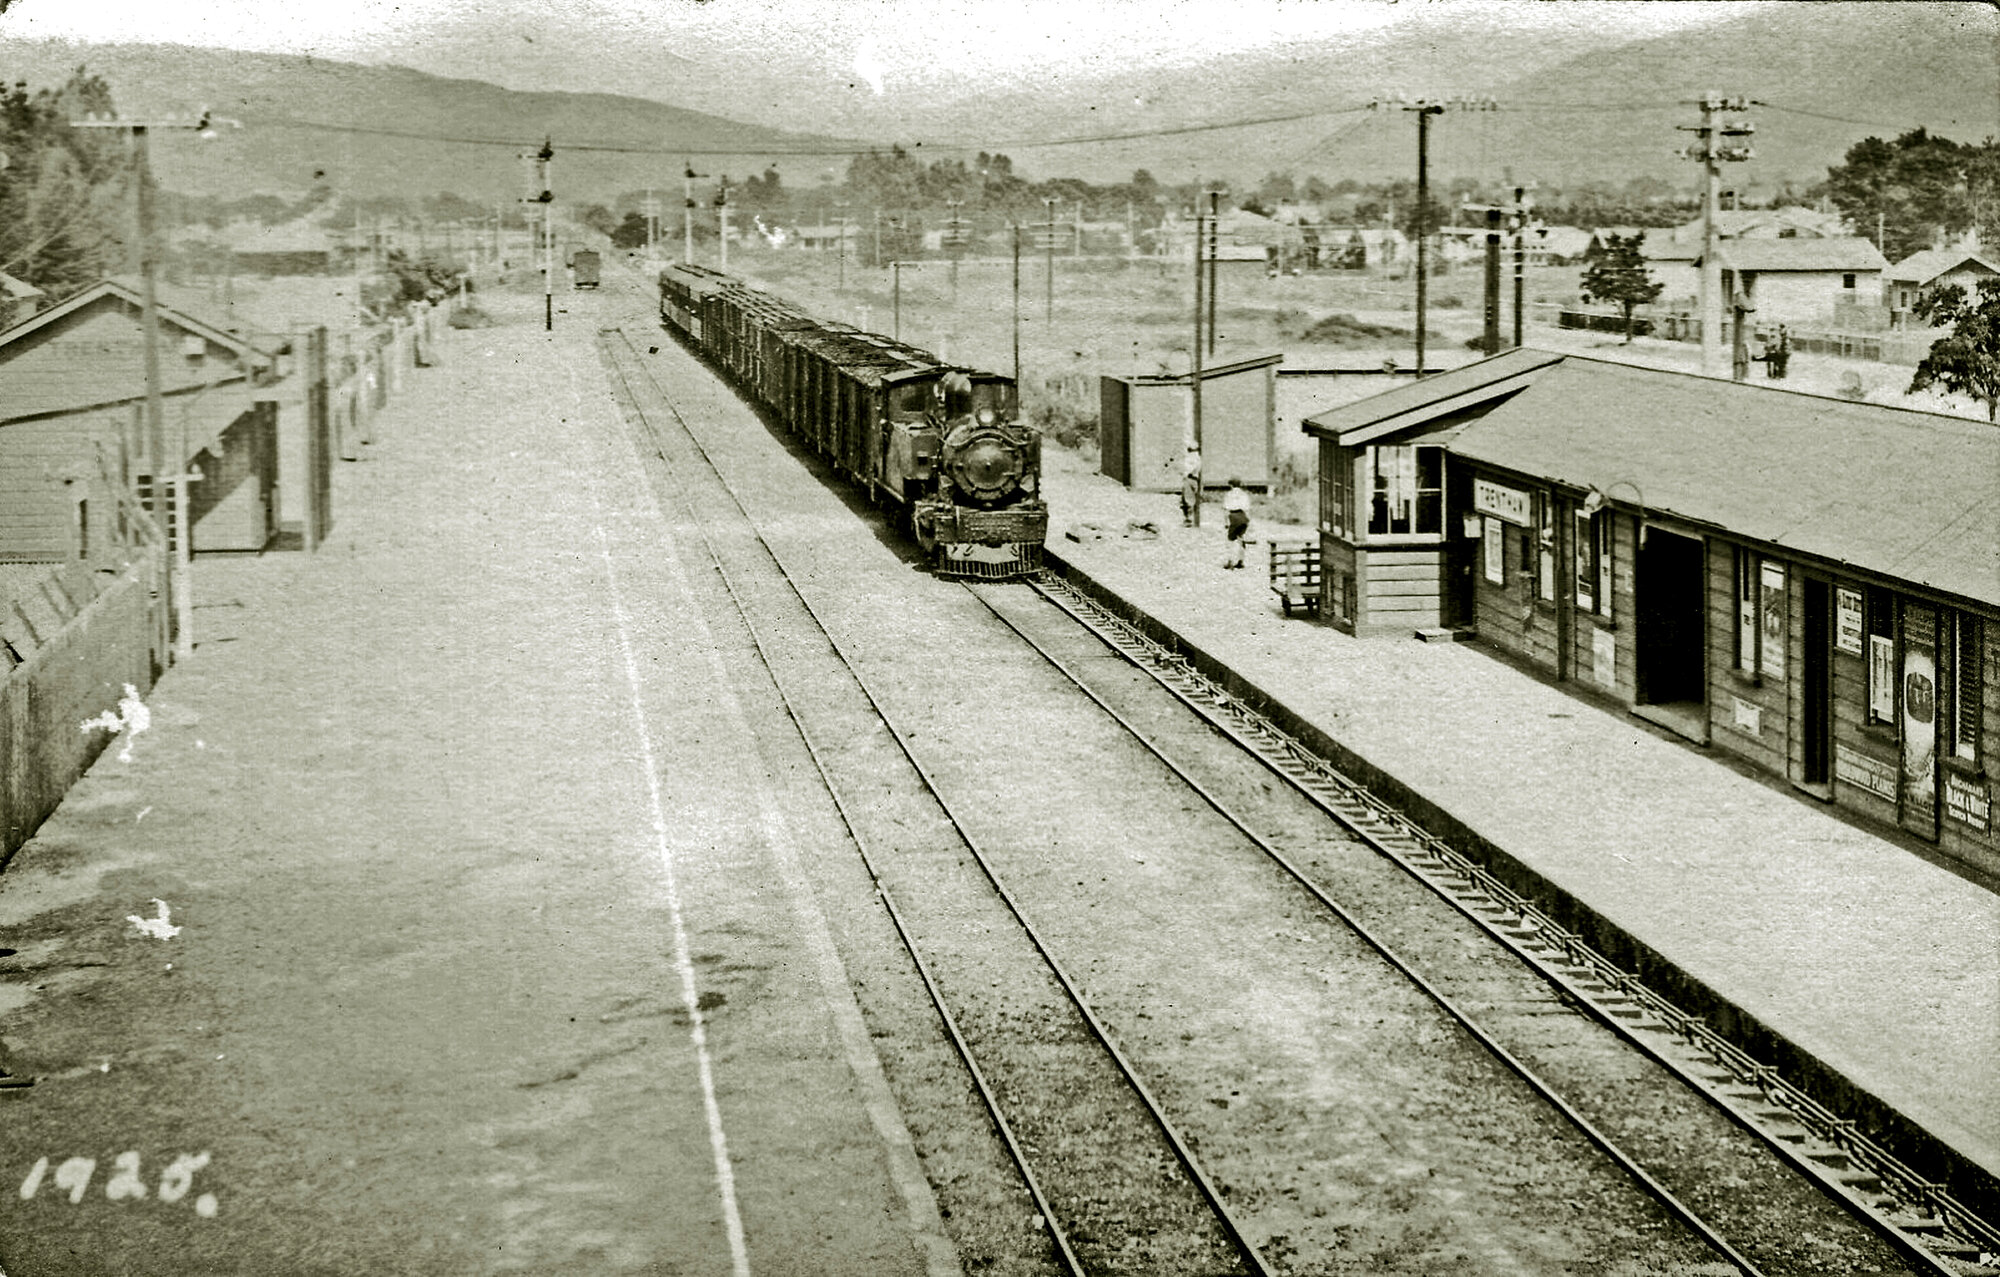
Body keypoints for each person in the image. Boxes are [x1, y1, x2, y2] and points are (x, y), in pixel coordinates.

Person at [1222, 477, 1251, 568]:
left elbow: (1226, 509)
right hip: (1243, 516)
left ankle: (1230, 560)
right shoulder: (1244, 495)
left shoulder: (1229, 495)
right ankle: (1240, 561)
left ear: (1231, 485)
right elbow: (1247, 509)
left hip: (1233, 516)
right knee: (1241, 539)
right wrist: (1248, 520)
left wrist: (1226, 522)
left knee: (1230, 540)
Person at [1180, 442, 1203, 527]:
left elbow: (1189, 468)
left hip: (1190, 478)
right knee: (1190, 499)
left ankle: (1189, 519)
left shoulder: (1191, 457)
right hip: (1194, 479)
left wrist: (1185, 474)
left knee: (1187, 499)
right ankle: (1190, 518)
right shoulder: (1198, 457)